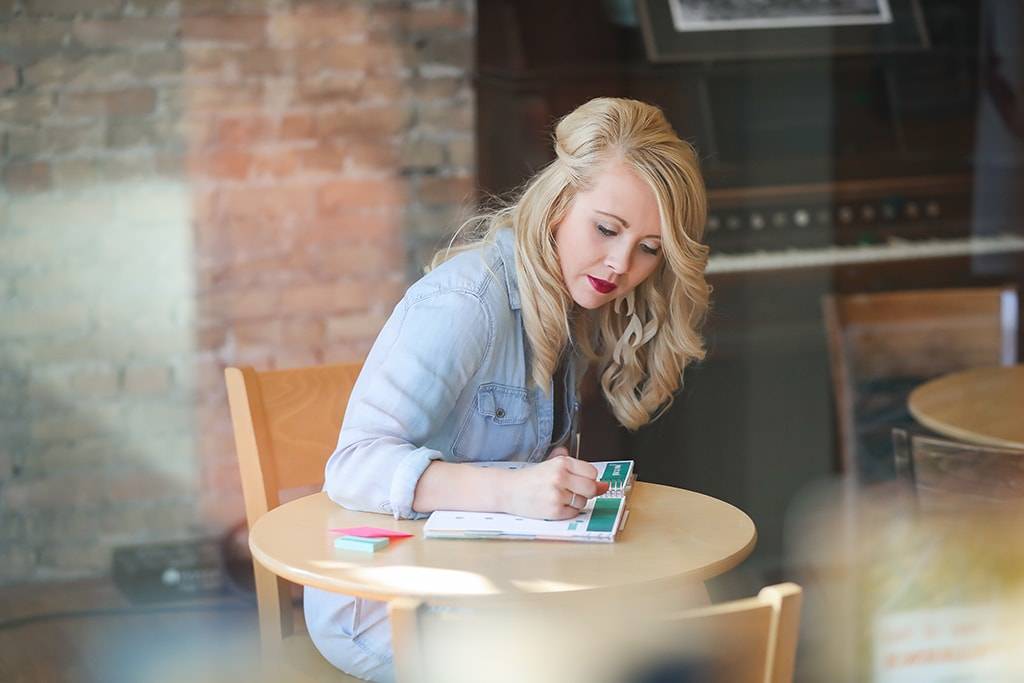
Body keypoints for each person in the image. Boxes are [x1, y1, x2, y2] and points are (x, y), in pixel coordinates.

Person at [304, 96, 711, 682]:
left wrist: (545, 474)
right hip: (390, 604)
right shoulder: (465, 304)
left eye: (648, 248)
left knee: (683, 607)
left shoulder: (568, 299)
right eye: (606, 229)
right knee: (613, 657)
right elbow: (353, 467)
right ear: (558, 204)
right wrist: (513, 491)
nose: (621, 264)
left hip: (487, 579)